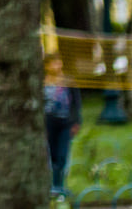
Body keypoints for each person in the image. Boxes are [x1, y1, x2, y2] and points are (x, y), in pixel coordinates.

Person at [43, 52, 81, 198]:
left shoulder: (68, 81)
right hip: (49, 123)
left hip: (65, 123)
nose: (56, 65)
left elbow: (76, 103)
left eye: (58, 62)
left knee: (62, 155)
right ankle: (53, 186)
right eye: (52, 63)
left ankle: (60, 187)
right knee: (52, 155)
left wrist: (76, 121)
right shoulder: (43, 81)